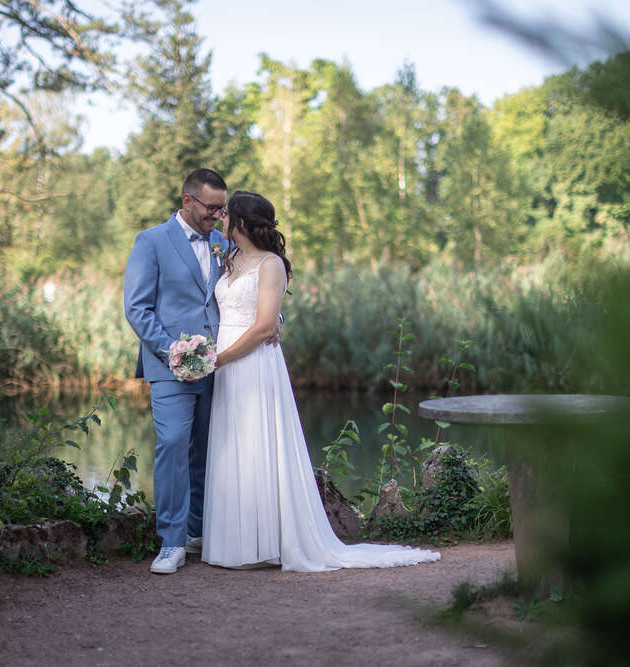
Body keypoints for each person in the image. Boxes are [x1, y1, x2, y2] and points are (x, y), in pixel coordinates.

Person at [201, 191, 441, 571]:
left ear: (242, 222)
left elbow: (264, 324)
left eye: (227, 213)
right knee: (235, 446)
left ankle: (268, 543)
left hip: (252, 364)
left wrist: (222, 358)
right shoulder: (229, 258)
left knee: (259, 443)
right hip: (227, 365)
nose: (221, 218)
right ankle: (238, 544)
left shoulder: (271, 264)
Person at [123, 168, 229, 574]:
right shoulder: (151, 241)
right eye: (211, 208)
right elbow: (137, 307)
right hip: (171, 367)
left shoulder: (223, 244)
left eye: (222, 209)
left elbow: (242, 293)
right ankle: (171, 542)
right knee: (173, 444)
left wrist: (273, 320)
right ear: (188, 201)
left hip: (221, 365)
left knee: (208, 448)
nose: (217, 216)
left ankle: (197, 531)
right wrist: (175, 352)